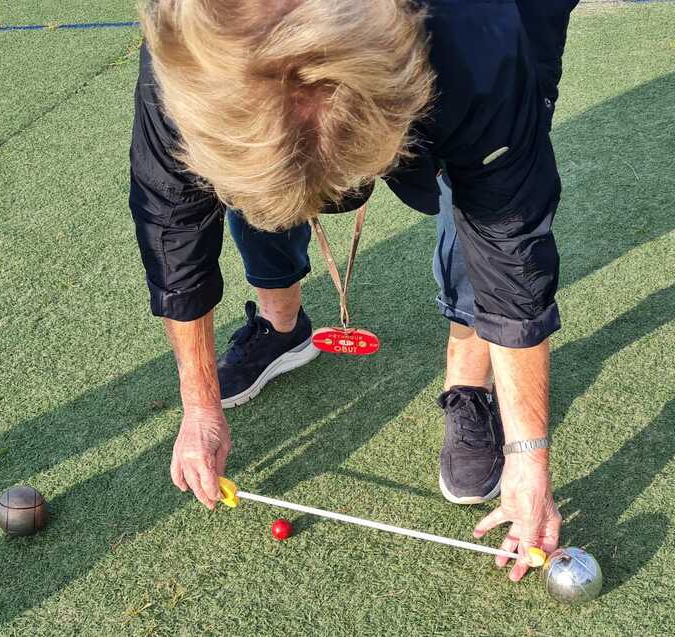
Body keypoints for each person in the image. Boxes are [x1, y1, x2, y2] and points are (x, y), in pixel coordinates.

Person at [129, 0, 577, 581]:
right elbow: (172, 229)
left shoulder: (475, 43)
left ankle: (468, 377)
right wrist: (199, 407)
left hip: (475, 37)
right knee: (257, 174)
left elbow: (507, 243)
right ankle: (280, 326)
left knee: (478, 183)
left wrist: (528, 458)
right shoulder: (189, 55)